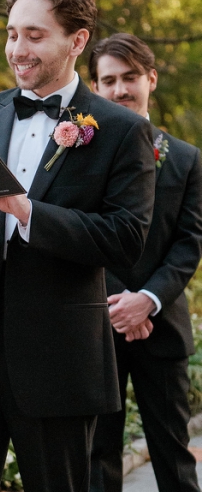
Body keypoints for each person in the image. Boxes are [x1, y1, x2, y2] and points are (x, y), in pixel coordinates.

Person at [0, 0, 157, 491]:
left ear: (77, 41)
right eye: (11, 34)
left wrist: (29, 213)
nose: (18, 49)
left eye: (34, 35)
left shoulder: (120, 130)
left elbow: (125, 239)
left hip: (60, 360)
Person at [86, 33, 202, 492]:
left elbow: (189, 243)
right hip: (96, 324)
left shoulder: (187, 159)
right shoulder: (78, 155)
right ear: (94, 88)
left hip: (162, 327)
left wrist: (147, 300)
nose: (120, 90)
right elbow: (81, 235)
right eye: (108, 80)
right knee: (97, 459)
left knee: (174, 457)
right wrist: (119, 304)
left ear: (150, 79)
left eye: (130, 77)